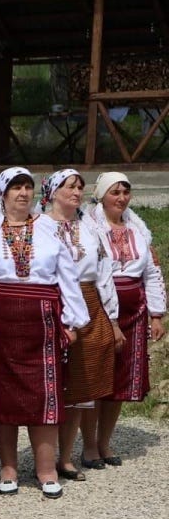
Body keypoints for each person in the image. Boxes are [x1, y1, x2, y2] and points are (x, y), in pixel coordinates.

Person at [0, 167, 89, 499]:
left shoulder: (50, 228)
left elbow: (67, 274)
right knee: (3, 395)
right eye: (16, 188)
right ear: (2, 194)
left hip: (42, 322)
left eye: (28, 187)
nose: (23, 193)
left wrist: (73, 320)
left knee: (45, 393)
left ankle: (46, 469)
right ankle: (8, 467)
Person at [39, 171, 122, 479]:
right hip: (52, 298)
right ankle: (44, 456)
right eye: (69, 186)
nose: (76, 191)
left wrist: (110, 318)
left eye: (79, 187)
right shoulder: (40, 225)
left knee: (80, 385)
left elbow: (104, 272)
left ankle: (67, 455)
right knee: (51, 382)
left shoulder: (89, 227)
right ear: (53, 191)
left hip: (87, 299)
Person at [87, 172, 166, 467]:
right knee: (97, 377)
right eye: (114, 192)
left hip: (134, 310)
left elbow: (152, 273)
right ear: (102, 195)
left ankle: (105, 442)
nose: (121, 198)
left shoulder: (138, 231)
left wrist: (156, 314)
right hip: (100, 309)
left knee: (120, 380)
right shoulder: (90, 228)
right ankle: (89, 445)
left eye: (125, 192)